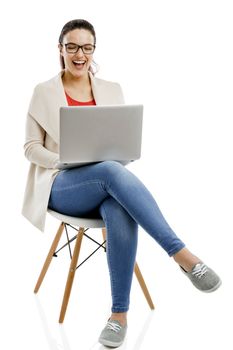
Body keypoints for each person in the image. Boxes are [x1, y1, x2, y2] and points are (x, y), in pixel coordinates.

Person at [22, 19, 221, 348]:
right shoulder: (43, 91)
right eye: (71, 46)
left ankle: (119, 317)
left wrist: (116, 156)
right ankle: (183, 256)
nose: (79, 54)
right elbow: (30, 148)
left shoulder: (112, 89)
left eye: (86, 47)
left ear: (93, 50)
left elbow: (119, 142)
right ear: (60, 49)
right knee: (111, 173)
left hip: (106, 182)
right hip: (60, 184)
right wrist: (60, 160)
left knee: (117, 199)